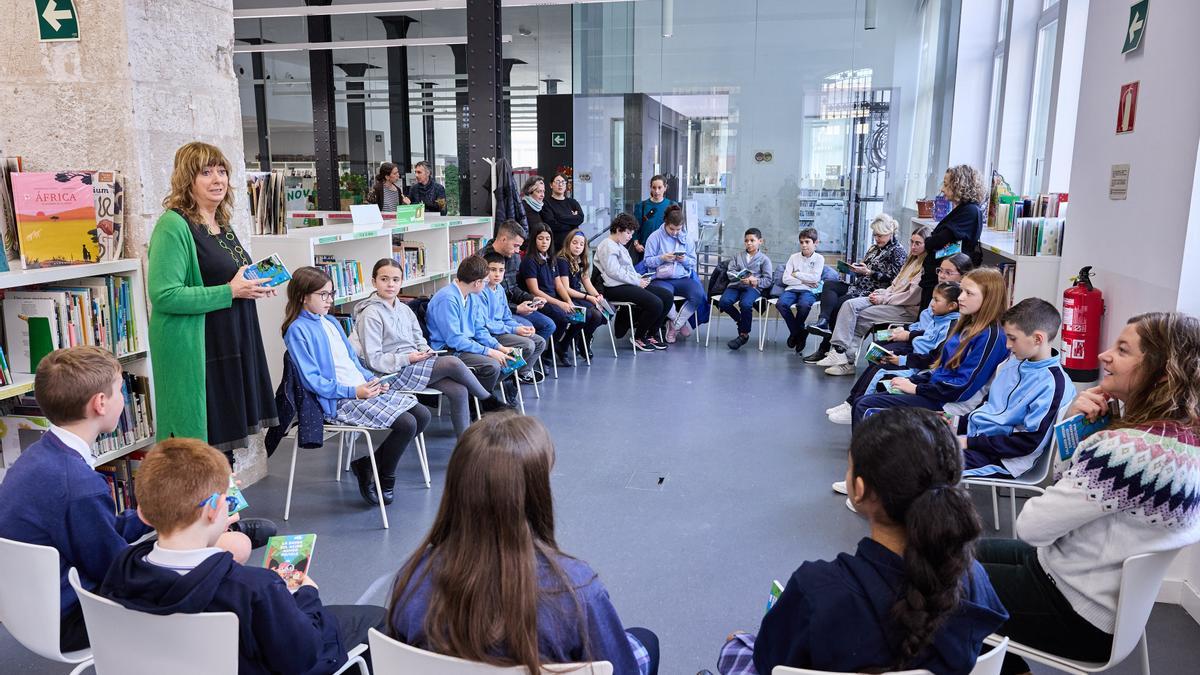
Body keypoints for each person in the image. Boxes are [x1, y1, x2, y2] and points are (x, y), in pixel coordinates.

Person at [978, 311, 1200, 675]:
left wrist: (1079, 432)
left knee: (931, 583)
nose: (1104, 355)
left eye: (1123, 350)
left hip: (1072, 610)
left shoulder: (1124, 451)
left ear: (1162, 373)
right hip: (1104, 604)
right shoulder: (1186, 445)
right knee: (951, 552)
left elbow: (1033, 527)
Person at [717, 408, 1007, 675]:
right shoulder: (973, 578)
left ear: (859, 489)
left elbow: (769, 664)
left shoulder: (817, 590)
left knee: (734, 645)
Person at [0, 347, 251, 653]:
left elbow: (91, 532)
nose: (123, 398)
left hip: (31, 613)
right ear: (100, 403)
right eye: (120, 390)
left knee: (202, 537)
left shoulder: (36, 457)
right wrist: (199, 542)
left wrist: (151, 517)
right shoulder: (79, 486)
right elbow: (119, 571)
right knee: (230, 551)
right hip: (76, 619)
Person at [387, 412, 660, 675]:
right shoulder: (575, 589)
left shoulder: (413, 577)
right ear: (534, 493)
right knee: (646, 641)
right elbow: (619, 668)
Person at [100, 438, 387, 675]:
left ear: (142, 514)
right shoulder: (257, 587)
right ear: (214, 510)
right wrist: (305, 594)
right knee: (376, 619)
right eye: (228, 499)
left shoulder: (121, 569)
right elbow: (301, 657)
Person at [148, 141, 277, 466]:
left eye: (222, 171)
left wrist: (253, 284)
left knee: (223, 454)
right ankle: (213, 516)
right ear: (187, 179)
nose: (218, 179)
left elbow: (228, 277)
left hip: (231, 349)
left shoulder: (221, 223)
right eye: (206, 172)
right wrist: (231, 291)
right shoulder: (173, 226)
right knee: (204, 456)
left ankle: (223, 517)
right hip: (201, 355)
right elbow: (164, 294)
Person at [283, 266, 431, 507]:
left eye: (331, 294)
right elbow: (314, 381)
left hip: (361, 388)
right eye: (323, 295)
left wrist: (371, 380)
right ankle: (385, 477)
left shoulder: (330, 321)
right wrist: (354, 391)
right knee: (406, 424)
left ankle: (367, 464)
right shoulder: (297, 330)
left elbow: (352, 360)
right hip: (339, 399)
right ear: (302, 296)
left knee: (422, 415)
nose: (329, 300)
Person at [350, 258, 494, 439]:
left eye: (395, 280)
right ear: (374, 282)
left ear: (401, 282)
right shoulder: (370, 314)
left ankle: (464, 445)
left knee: (459, 390)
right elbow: (374, 360)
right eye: (384, 279)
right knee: (453, 362)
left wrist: (425, 351)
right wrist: (408, 358)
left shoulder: (404, 309)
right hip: (390, 373)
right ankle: (489, 401)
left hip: (415, 365)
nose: (390, 284)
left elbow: (419, 339)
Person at [849, 267, 1010, 427]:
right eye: (961, 291)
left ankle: (865, 452)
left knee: (864, 406)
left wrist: (917, 388)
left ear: (989, 298)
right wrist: (913, 381)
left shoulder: (991, 336)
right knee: (864, 398)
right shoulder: (967, 325)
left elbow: (961, 387)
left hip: (948, 403)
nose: (961, 297)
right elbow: (941, 368)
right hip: (935, 391)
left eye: (969, 293)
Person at [959, 298, 1070, 477]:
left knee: (921, 463)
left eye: (1012, 338)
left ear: (1037, 338)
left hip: (1002, 458)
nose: (1008, 345)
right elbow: (989, 405)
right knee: (915, 437)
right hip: (976, 439)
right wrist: (956, 424)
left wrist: (970, 443)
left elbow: (1027, 443)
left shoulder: (1053, 384)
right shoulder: (1012, 362)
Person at [826, 281, 961, 425]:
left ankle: (857, 405)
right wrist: (906, 332)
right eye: (932, 299)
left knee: (880, 367)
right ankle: (851, 400)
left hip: (918, 363)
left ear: (952, 305)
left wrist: (902, 359)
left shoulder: (950, 326)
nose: (932, 303)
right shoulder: (939, 317)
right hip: (914, 347)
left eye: (936, 300)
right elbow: (925, 333)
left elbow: (934, 357)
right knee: (876, 353)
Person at [808, 226, 931, 372]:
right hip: (885, 297)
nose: (913, 246)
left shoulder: (921, 265)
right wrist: (881, 294)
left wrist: (883, 297)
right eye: (912, 242)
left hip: (902, 308)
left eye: (918, 243)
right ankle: (839, 351)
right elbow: (894, 285)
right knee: (848, 304)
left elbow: (909, 296)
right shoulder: (910, 261)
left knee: (859, 314)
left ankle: (845, 360)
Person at [426, 255, 521, 407]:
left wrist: (498, 347)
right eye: (484, 281)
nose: (486, 284)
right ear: (477, 283)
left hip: (467, 345)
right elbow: (454, 340)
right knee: (492, 365)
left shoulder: (471, 296)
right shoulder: (447, 299)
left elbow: (479, 329)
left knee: (509, 359)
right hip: (448, 350)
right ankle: (481, 404)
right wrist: (488, 352)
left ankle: (477, 398)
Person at [810, 213, 907, 335]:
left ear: (890, 233)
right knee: (829, 285)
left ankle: (828, 346)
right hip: (858, 286)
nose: (877, 239)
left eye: (880, 235)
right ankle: (822, 322)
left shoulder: (897, 251)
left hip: (874, 292)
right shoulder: (874, 248)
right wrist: (855, 269)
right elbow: (865, 268)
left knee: (839, 304)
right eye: (875, 235)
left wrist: (869, 272)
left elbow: (895, 279)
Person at [595, 213, 674, 352]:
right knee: (655, 303)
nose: (630, 236)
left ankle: (651, 334)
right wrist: (637, 281)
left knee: (667, 296)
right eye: (628, 232)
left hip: (626, 284)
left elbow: (627, 270)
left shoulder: (620, 246)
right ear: (618, 229)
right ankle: (639, 337)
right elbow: (614, 272)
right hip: (613, 287)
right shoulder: (607, 245)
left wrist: (640, 278)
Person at [520, 223, 586, 366]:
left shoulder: (551, 259)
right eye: (540, 238)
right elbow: (535, 291)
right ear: (534, 240)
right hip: (540, 301)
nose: (544, 242)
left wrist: (568, 301)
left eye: (547, 239)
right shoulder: (529, 261)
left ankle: (559, 347)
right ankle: (547, 356)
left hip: (553, 298)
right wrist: (559, 303)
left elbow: (558, 284)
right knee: (562, 318)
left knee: (580, 317)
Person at [482, 219, 557, 345]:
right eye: (516, 246)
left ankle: (531, 357)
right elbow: (485, 305)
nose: (518, 251)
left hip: (513, 308)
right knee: (528, 327)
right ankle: (519, 355)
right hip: (496, 315)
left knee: (549, 325)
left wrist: (533, 299)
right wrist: (516, 309)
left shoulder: (514, 257)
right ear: (504, 239)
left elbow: (514, 288)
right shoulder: (482, 260)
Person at [921, 166, 986, 309]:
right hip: (937, 275)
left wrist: (928, 241)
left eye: (946, 184)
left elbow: (939, 240)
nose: (942, 189)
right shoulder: (961, 209)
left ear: (959, 185)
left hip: (946, 278)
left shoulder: (970, 211)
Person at [482, 251, 548, 384]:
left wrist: (519, 327)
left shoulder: (499, 289)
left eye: (501, 270)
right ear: (484, 271)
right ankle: (503, 378)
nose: (497, 274)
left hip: (503, 329)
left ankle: (520, 373)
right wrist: (513, 330)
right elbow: (486, 324)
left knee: (539, 341)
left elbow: (506, 317)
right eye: (492, 270)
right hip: (491, 334)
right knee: (528, 345)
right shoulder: (480, 291)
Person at [643, 204, 706, 343]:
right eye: (672, 229)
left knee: (698, 295)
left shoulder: (687, 238)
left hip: (681, 277)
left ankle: (674, 325)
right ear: (666, 223)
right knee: (665, 296)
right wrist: (662, 258)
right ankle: (680, 324)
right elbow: (647, 262)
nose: (675, 232)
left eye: (679, 229)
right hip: (660, 279)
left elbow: (693, 262)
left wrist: (684, 260)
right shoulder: (654, 237)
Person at [553, 229, 609, 355]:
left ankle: (582, 338)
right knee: (593, 315)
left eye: (581, 244)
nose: (578, 246)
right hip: (567, 297)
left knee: (606, 311)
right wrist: (588, 297)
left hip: (579, 295)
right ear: (568, 243)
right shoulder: (562, 260)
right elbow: (566, 289)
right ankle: (568, 343)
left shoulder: (581, 260)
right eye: (575, 243)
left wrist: (597, 296)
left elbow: (587, 282)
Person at [718, 228, 774, 350]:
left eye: (752, 240)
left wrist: (756, 281)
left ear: (760, 241)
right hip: (735, 286)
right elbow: (730, 273)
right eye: (746, 240)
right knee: (724, 302)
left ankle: (744, 334)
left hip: (752, 288)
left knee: (746, 304)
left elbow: (768, 280)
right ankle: (741, 321)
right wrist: (738, 277)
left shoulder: (764, 260)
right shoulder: (737, 256)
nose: (748, 243)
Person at [776, 227, 825, 352]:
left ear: (815, 243)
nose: (804, 245)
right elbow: (786, 279)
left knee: (804, 305)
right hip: (792, 288)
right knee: (781, 304)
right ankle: (799, 333)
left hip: (809, 290)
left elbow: (815, 278)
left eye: (807, 242)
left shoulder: (819, 258)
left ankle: (794, 334)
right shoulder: (793, 257)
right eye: (801, 242)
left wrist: (796, 274)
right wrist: (804, 280)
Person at [632, 174, 676, 262]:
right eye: (654, 187)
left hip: (666, 249)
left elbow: (676, 227)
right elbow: (634, 227)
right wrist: (636, 244)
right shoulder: (642, 206)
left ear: (665, 187)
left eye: (660, 187)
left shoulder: (672, 205)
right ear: (650, 188)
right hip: (645, 249)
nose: (656, 191)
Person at [541, 173, 585, 251]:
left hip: (573, 246)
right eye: (557, 182)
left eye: (563, 182)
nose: (560, 185)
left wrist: (559, 217)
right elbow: (551, 224)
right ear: (551, 185)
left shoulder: (572, 202)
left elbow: (580, 218)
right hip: (556, 245)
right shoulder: (546, 203)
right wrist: (572, 223)